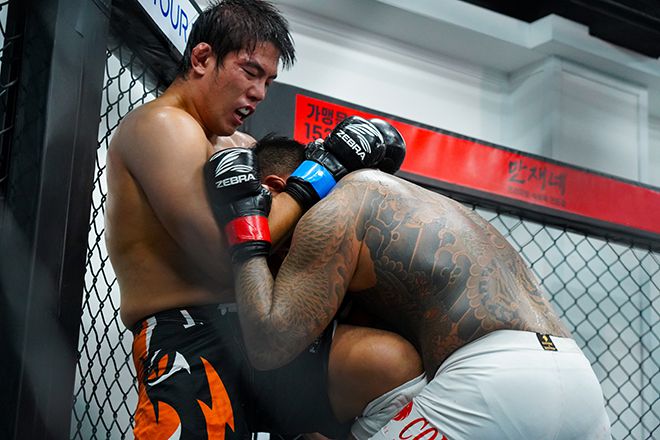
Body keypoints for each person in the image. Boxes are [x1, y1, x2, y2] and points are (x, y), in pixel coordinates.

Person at [105, 1, 424, 437]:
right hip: (191, 336)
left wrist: (343, 171)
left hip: (263, 330)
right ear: (202, 58)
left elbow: (287, 226)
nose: (259, 93)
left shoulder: (237, 143)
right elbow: (226, 256)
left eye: (268, 81)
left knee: (390, 363)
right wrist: (316, 177)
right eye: (250, 72)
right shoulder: (163, 125)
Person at [211, 134, 613, 439]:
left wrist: (244, 223)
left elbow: (268, 345)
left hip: (493, 385)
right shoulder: (414, 202)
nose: (284, 261)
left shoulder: (331, 213)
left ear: (274, 189)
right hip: (578, 379)